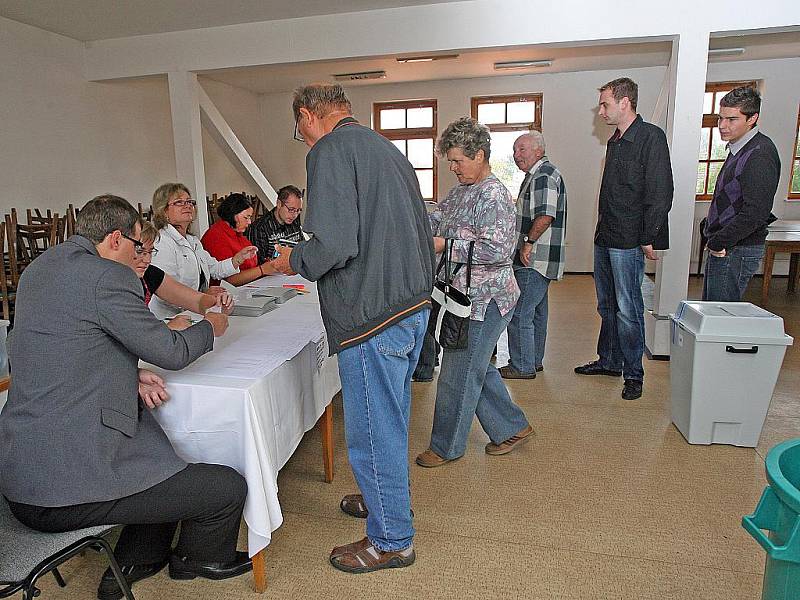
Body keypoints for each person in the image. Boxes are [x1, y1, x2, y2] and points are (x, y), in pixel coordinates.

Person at [0, 195, 251, 600]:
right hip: (62, 489)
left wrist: (127, 371)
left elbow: (53, 345)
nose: (142, 255)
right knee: (225, 487)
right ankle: (201, 559)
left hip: (20, 473)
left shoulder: (41, 268)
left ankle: (137, 560)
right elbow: (171, 352)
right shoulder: (107, 277)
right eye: (139, 245)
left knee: (161, 465)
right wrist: (211, 326)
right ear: (115, 239)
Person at [271, 83, 434, 574]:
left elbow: (334, 243)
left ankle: (391, 540)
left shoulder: (329, 151)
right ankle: (383, 499)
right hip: (408, 305)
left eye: (298, 130)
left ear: (306, 116)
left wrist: (293, 258)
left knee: (370, 428)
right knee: (392, 417)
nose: (301, 140)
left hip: (371, 315)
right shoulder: (385, 147)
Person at [415, 116, 533, 468]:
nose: (453, 167)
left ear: (479, 155)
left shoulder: (494, 195)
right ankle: (513, 426)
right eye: (449, 161)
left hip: (488, 300)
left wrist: (443, 245)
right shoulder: (459, 192)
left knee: (458, 371)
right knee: (475, 364)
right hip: (463, 299)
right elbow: (437, 220)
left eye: (458, 161)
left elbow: (497, 251)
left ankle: (446, 447)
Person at [574, 77, 673, 401]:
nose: (601, 111)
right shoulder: (615, 140)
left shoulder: (650, 138)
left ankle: (633, 374)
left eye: (604, 104)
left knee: (629, 308)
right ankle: (609, 361)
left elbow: (661, 192)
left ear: (625, 102)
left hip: (629, 240)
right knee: (607, 306)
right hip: (606, 237)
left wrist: (649, 237)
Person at [499, 131, 567, 380]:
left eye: (522, 149)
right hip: (541, 258)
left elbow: (545, 215)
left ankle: (522, 365)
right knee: (537, 312)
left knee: (520, 312)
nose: (517, 156)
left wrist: (527, 244)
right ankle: (533, 360)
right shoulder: (539, 175)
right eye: (515, 151)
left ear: (538, 150)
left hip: (534, 258)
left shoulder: (543, 175)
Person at [702, 86, 780, 301]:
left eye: (732, 119)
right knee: (712, 314)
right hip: (727, 246)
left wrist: (719, 241)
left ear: (752, 118)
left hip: (736, 249)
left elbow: (755, 213)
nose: (723, 126)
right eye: (720, 118)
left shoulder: (759, 154)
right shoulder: (739, 147)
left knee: (719, 318)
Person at [149, 183, 257, 319]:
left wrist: (238, 259)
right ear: (163, 211)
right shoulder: (162, 241)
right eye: (179, 202)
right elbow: (166, 291)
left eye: (189, 202)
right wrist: (202, 295)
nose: (187, 205)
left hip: (193, 313)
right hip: (169, 319)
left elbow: (215, 269)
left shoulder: (192, 241)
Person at [136, 221, 234, 329]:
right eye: (140, 251)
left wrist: (218, 303)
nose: (147, 260)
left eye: (150, 252)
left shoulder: (150, 273)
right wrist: (168, 328)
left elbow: (195, 300)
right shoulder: (118, 286)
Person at [201, 193, 273, 285]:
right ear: (233, 214)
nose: (249, 222)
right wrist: (262, 270)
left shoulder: (238, 234)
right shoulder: (216, 236)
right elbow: (229, 280)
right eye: (246, 217)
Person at [247, 185, 305, 274]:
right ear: (278, 204)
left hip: (294, 272)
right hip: (271, 277)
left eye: (298, 210)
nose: (295, 215)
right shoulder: (260, 227)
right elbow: (259, 263)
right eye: (291, 209)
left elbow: (301, 247)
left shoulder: (294, 219)